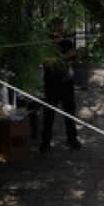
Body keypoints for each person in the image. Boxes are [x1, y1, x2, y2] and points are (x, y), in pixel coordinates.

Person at [40, 20, 82, 152]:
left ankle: (72, 140)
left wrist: (63, 58)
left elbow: (73, 56)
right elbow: (46, 62)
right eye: (58, 27)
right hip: (51, 84)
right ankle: (45, 143)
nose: (61, 29)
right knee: (49, 115)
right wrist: (63, 57)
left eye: (61, 27)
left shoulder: (68, 42)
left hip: (66, 83)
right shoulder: (46, 44)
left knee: (69, 113)